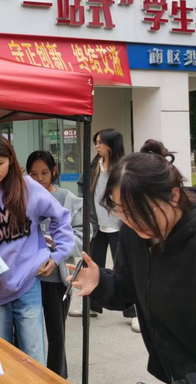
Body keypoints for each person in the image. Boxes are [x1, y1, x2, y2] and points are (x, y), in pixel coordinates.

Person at [68, 150, 196, 384]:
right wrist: (100, 282)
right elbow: (128, 287)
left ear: (174, 196)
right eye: (122, 210)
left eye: (142, 211)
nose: (133, 221)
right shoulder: (134, 232)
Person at [0, 134, 74, 365]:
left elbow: (61, 218)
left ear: (11, 159)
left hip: (27, 280)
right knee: (0, 358)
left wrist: (57, 256)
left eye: (0, 163)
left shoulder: (28, 187)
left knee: (34, 356)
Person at [26, 150, 83, 378]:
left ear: (54, 171)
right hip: (28, 277)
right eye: (33, 174)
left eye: (44, 173)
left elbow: (83, 234)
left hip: (56, 278)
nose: (39, 178)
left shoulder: (67, 198)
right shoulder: (22, 197)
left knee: (56, 330)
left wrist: (58, 244)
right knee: (28, 329)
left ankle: (57, 375)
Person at [73, 128, 137, 326]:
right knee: (93, 265)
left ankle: (133, 314)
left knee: (124, 269)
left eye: (100, 142)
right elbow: (82, 185)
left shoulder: (123, 167)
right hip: (97, 225)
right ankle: (92, 306)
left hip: (119, 226)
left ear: (111, 144)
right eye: (96, 142)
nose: (97, 146)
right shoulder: (95, 165)